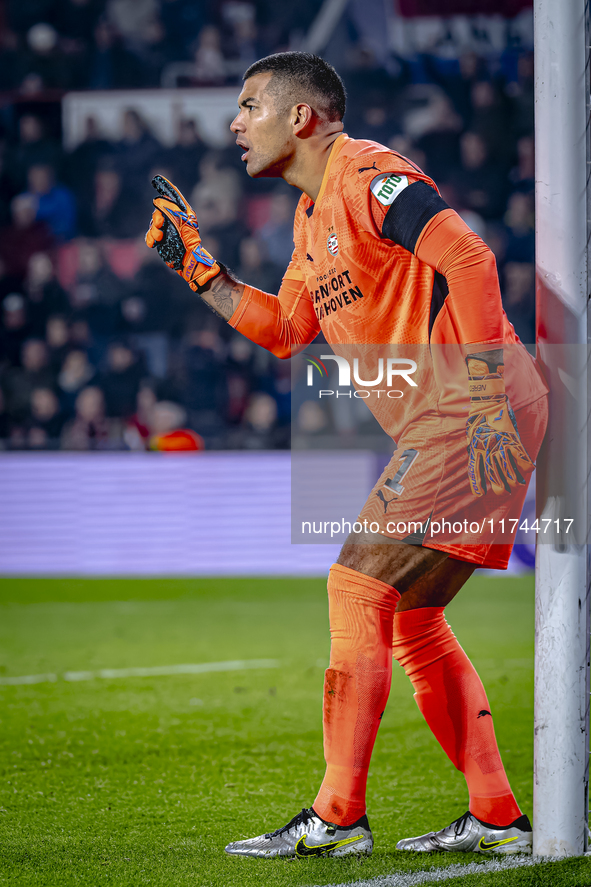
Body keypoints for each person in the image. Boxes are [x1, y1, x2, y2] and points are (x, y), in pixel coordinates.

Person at [145, 52, 548, 859]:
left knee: (355, 580)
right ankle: (497, 817)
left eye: (249, 104)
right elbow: (287, 331)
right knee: (415, 618)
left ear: (301, 117)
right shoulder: (307, 221)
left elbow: (469, 258)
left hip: (468, 403)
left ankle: (337, 816)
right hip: (467, 410)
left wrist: (475, 397)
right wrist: (199, 270)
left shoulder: (367, 174)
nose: (235, 122)